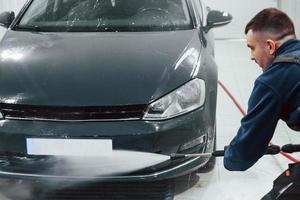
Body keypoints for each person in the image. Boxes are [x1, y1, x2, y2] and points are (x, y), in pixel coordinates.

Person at [223, 8, 300, 199]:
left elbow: (244, 153)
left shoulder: (272, 81)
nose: (251, 56)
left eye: (251, 48)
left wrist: (230, 157)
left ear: (270, 46)